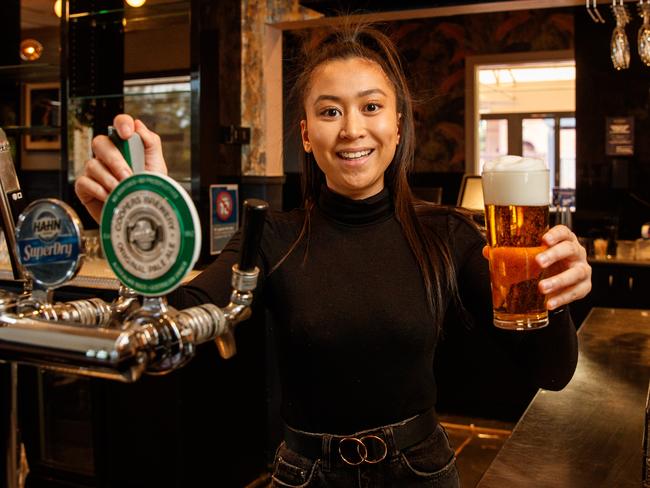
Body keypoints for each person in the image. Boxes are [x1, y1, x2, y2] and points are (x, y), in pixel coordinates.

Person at [75, 24, 591, 488]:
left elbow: (551, 372)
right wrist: (146, 228)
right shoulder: (271, 235)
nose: (351, 129)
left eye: (371, 106)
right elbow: (174, 325)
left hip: (422, 472)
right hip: (304, 475)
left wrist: (555, 293)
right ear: (306, 132)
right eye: (329, 111)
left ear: (398, 122)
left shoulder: (450, 232)